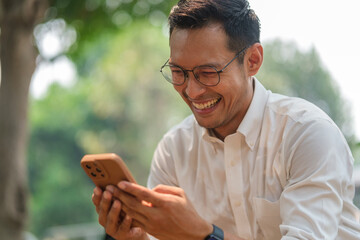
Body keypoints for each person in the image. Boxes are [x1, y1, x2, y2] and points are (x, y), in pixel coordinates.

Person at [92, 0, 360, 239]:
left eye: (208, 72)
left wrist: (206, 235)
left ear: (253, 60)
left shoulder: (307, 134)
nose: (191, 91)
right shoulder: (174, 151)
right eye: (178, 72)